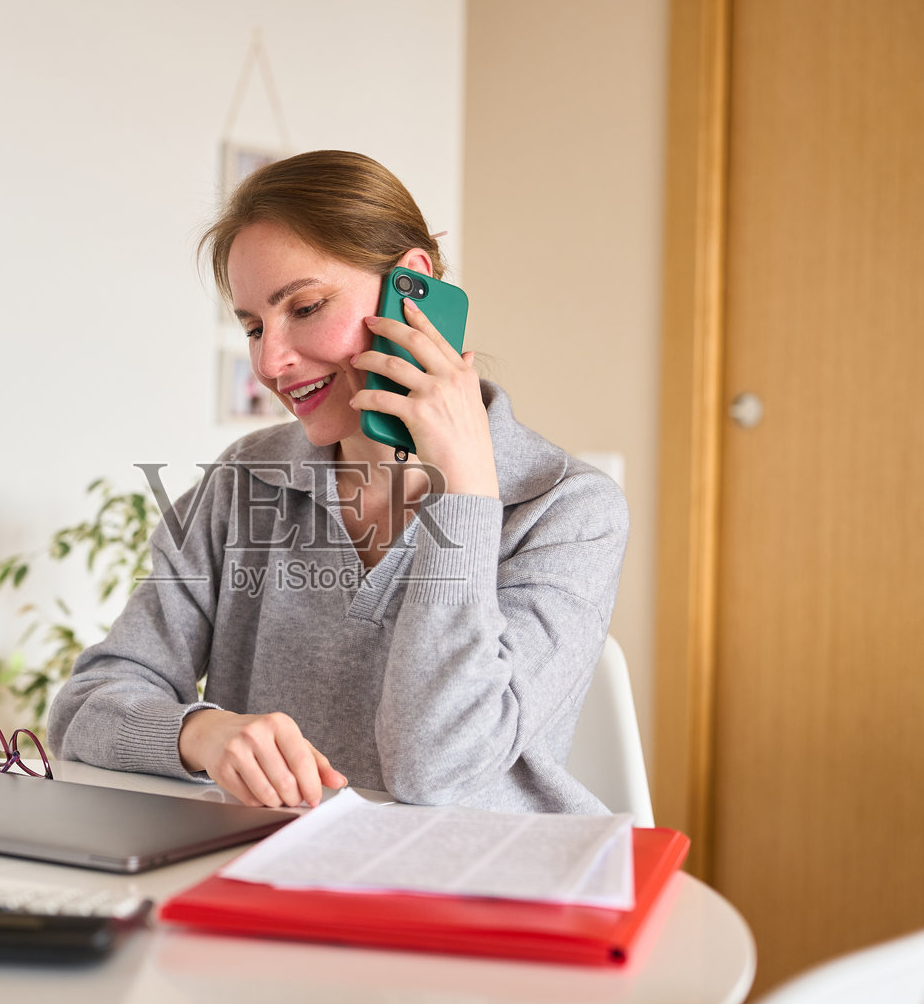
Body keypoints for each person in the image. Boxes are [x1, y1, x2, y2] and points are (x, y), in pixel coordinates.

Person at [48, 150, 628, 814]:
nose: (271, 359)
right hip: (274, 883)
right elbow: (85, 706)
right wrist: (201, 733)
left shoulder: (569, 510)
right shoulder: (244, 484)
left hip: (481, 891)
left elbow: (433, 767)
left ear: (411, 286)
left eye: (306, 305)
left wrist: (465, 492)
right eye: (253, 326)